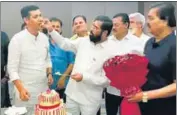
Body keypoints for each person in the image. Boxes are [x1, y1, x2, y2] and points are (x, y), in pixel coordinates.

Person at [43, 15, 113, 115]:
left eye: (96, 28)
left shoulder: (110, 51)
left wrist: (84, 77)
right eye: (92, 26)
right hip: (72, 94)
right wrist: (51, 30)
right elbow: (64, 44)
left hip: (90, 99)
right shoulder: (84, 41)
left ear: (105, 32)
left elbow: (106, 81)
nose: (91, 29)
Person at [127, 3, 176, 115]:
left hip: (166, 106)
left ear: (165, 21)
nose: (147, 23)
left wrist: (146, 95)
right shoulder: (149, 43)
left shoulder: (174, 45)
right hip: (145, 103)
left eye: (151, 18)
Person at [7, 5, 53, 114]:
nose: (40, 19)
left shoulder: (44, 38)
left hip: (43, 88)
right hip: (25, 90)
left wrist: (49, 74)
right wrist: (20, 89)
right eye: (36, 16)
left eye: (40, 15)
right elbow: (12, 69)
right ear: (26, 20)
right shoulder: (17, 39)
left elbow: (47, 59)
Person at [105, 13, 143, 115]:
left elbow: (143, 65)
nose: (113, 27)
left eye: (116, 25)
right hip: (111, 90)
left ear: (126, 25)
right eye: (112, 25)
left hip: (129, 92)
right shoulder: (107, 42)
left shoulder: (137, 42)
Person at [49, 17, 75, 103]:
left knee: (62, 108)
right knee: (48, 108)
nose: (55, 28)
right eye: (53, 26)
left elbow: (72, 63)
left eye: (58, 26)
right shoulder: (43, 42)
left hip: (63, 82)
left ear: (60, 29)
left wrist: (63, 78)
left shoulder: (66, 43)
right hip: (46, 83)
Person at [1, 31, 11, 108]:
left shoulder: (3, 36)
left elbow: (9, 58)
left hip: (1, 76)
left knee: (3, 105)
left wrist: (6, 76)